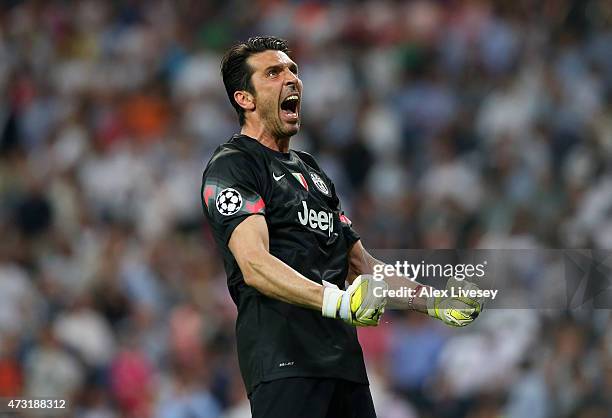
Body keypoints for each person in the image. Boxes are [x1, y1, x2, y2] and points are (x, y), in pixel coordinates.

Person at [201, 36, 483, 418]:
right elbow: (254, 264)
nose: (291, 78)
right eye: (273, 72)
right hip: (285, 364)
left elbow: (362, 265)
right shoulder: (234, 165)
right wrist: (336, 301)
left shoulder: (312, 173)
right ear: (244, 99)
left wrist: (434, 301)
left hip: (344, 367)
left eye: (293, 70)